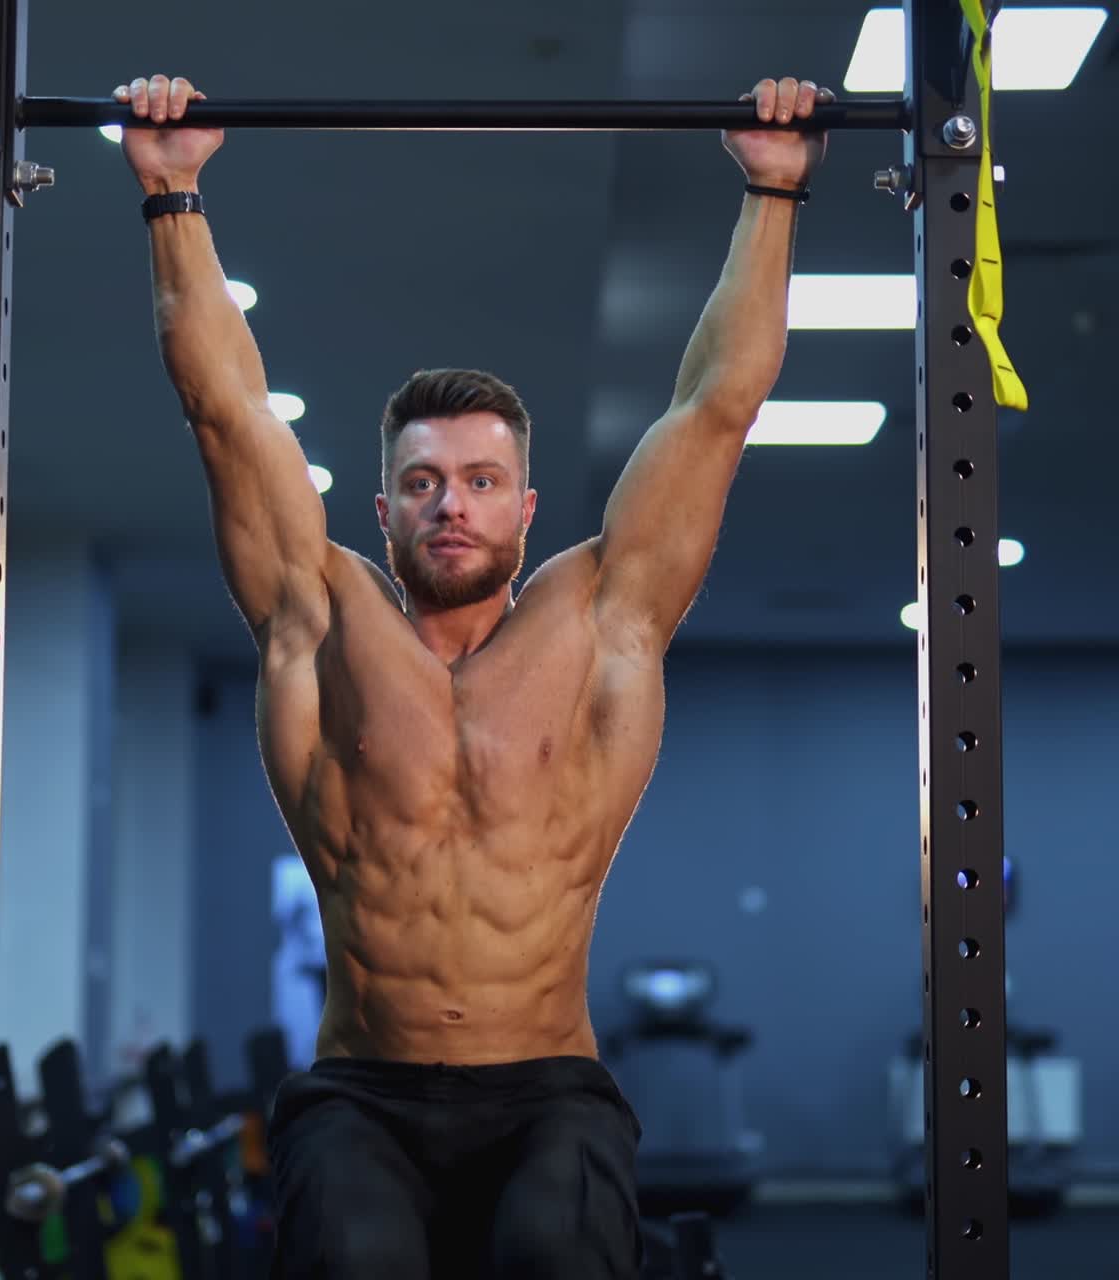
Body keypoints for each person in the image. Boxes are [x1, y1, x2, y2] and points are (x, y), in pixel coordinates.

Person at [115, 72, 834, 1279]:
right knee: (349, 1250)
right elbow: (226, 412)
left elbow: (716, 406)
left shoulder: (599, 621)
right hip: (359, 1091)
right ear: (382, 505)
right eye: (423, 481)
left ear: (526, 506)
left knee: (557, 1246)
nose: (452, 504)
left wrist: (770, 193)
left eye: (482, 481)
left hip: (549, 1089)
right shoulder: (320, 616)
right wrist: (172, 192)